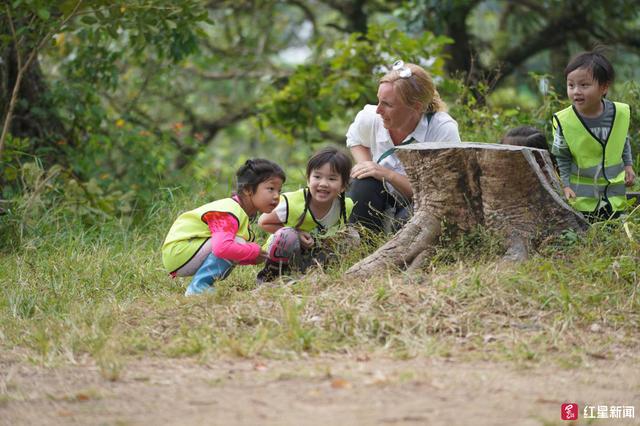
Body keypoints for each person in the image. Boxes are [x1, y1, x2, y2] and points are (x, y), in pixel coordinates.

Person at [346, 60, 461, 233]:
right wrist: (367, 166)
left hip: (421, 199)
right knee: (363, 183)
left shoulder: (442, 130)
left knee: (406, 221)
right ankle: (362, 244)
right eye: (379, 101)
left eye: (388, 104)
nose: (378, 110)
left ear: (416, 107)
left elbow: (439, 195)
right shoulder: (371, 117)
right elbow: (355, 139)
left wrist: (388, 174)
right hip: (382, 193)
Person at [162, 159, 286, 295]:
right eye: (270, 189)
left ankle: (201, 286)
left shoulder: (238, 212)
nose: (276, 196)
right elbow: (222, 248)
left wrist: (254, 257)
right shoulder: (228, 211)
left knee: (239, 244)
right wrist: (253, 251)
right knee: (235, 242)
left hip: (184, 253)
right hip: (179, 252)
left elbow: (228, 253)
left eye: (279, 191)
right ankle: (198, 287)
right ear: (248, 190)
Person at [551, 50, 635, 220]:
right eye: (571, 85)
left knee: (614, 235)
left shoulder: (620, 113)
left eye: (584, 85)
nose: (576, 91)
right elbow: (562, 157)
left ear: (604, 87)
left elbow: (622, 141)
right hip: (581, 200)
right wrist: (565, 186)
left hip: (614, 197)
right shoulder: (563, 121)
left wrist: (628, 165)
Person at [256, 147, 356, 282]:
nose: (323, 183)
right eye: (317, 177)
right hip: (283, 252)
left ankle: (315, 273)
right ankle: (270, 278)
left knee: (351, 235)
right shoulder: (292, 202)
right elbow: (263, 222)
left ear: (343, 185)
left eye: (332, 179)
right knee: (287, 235)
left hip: (312, 251)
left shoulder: (344, 206)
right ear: (308, 179)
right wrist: (297, 233)